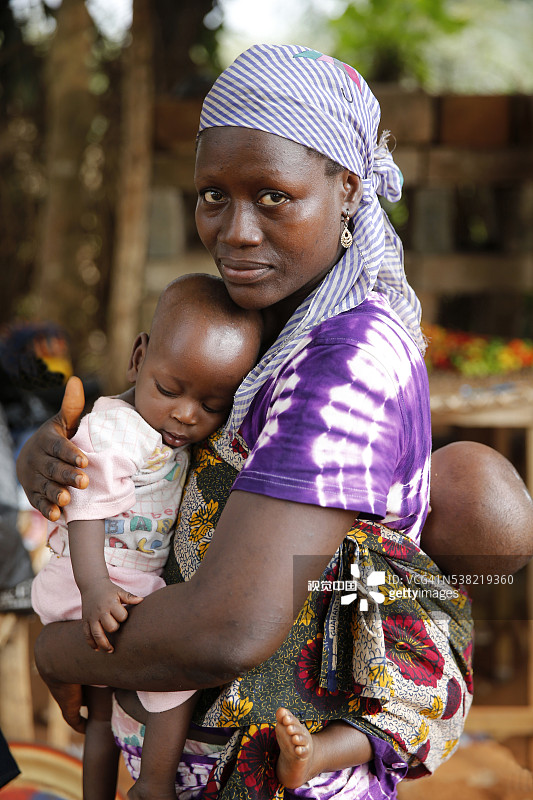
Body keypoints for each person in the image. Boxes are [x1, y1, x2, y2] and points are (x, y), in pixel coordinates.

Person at [18, 44, 473, 799]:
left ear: (348, 189)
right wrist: (65, 454)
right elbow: (156, 429)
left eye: (272, 196)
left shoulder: (346, 358)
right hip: (198, 757)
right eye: (211, 195)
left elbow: (228, 629)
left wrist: (60, 652)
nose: (234, 230)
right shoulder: (264, 319)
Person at [30, 274, 263, 800]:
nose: (186, 414)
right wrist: (94, 588)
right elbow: (85, 503)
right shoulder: (118, 429)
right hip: (91, 580)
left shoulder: (163, 432)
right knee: (177, 666)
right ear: (139, 358)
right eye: (169, 390)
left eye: (211, 405)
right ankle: (154, 785)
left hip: (108, 580)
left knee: (101, 710)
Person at [273, 440, 533, 788]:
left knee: (404, 713)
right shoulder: (451, 600)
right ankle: (320, 751)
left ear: (424, 517)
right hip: (368, 700)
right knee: (411, 717)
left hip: (338, 681)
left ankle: (319, 754)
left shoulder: (381, 544)